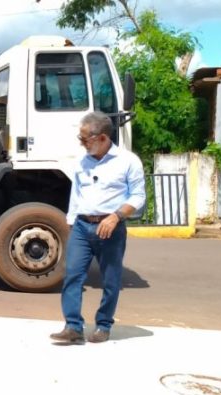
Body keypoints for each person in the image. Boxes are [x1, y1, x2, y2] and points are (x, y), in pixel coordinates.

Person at [50, 111, 145, 344]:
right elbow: (77, 193)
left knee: (111, 280)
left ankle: (103, 325)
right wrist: (72, 222)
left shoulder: (128, 161)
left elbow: (139, 196)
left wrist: (115, 217)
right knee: (72, 275)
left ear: (102, 138)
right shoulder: (82, 162)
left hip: (111, 228)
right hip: (82, 227)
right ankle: (73, 326)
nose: (82, 144)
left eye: (85, 139)